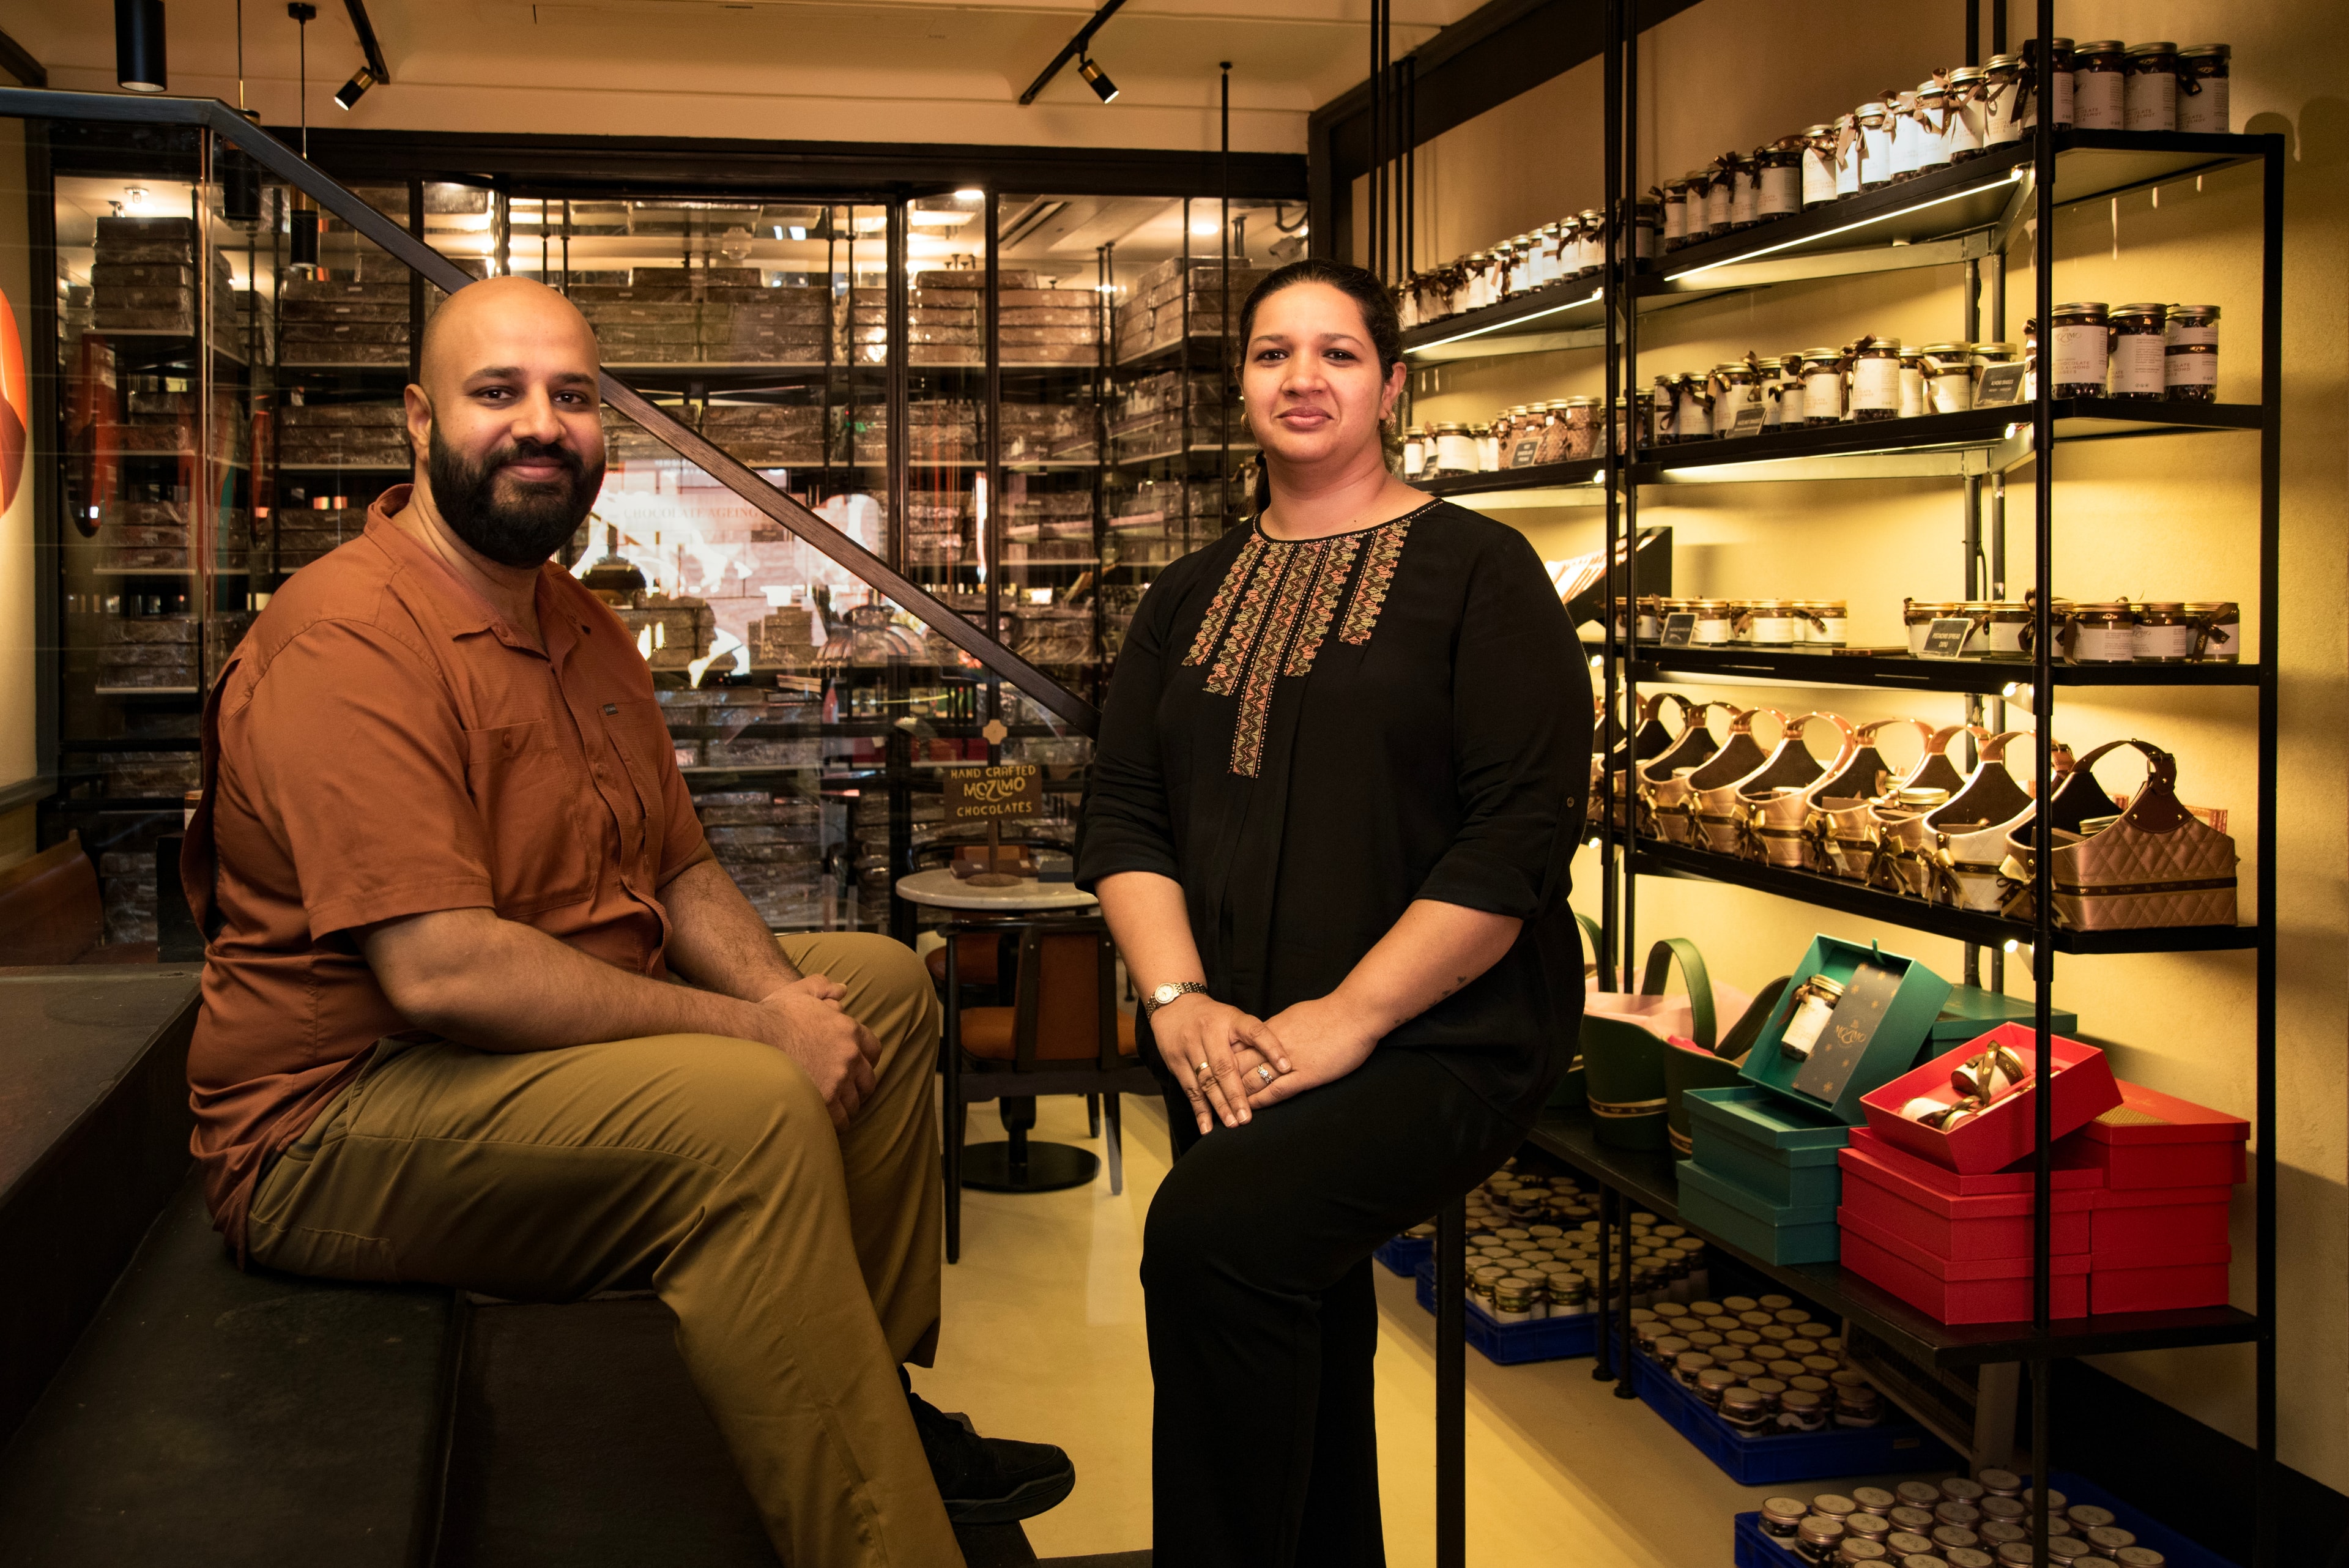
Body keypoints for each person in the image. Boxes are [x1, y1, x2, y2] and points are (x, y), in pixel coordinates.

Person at [180, 275, 1071, 1566]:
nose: (543, 424)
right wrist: (751, 1036)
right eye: (500, 393)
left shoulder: (580, 621)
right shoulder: (349, 639)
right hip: (341, 1115)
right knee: (749, 1111)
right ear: (418, 423)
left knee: (877, 984)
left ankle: (862, 1397)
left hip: (505, 1059)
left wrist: (777, 1002)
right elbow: (442, 972)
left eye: (574, 397)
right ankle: (885, 1539)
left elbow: (681, 866)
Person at [1078, 258, 1592, 1566]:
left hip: (1442, 1032)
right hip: (1234, 1029)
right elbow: (1125, 812)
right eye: (1271, 354)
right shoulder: (1185, 594)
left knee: (1213, 1239)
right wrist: (1179, 1001)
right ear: (1238, 382)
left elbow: (1517, 838)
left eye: (1337, 354)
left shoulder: (1481, 571)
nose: (1302, 379)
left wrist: (1354, 1018)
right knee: (1294, 1305)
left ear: (1391, 384)